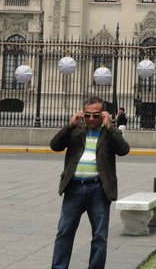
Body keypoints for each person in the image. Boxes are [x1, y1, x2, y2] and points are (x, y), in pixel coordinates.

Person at [49, 95, 130, 269]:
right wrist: (70, 125)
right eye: (87, 115)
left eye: (95, 115)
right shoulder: (76, 129)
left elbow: (123, 149)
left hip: (98, 190)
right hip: (74, 188)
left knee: (100, 236)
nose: (91, 119)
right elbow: (55, 145)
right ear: (82, 114)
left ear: (103, 114)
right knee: (64, 232)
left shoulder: (108, 132)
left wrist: (110, 126)